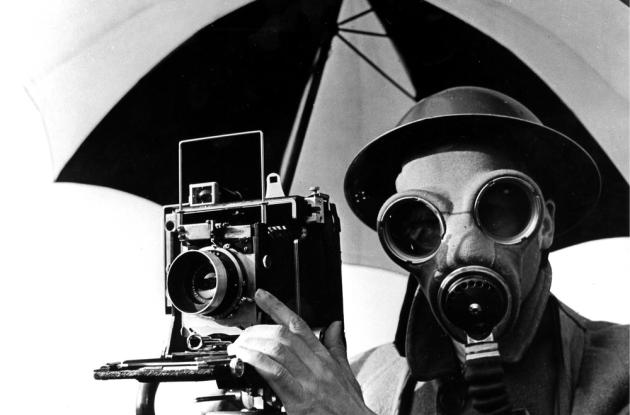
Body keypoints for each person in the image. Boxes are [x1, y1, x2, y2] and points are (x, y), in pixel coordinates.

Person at [228, 87, 629, 414]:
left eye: (498, 209)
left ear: (543, 225)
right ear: (400, 243)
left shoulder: (618, 372)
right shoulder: (364, 378)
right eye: (421, 223)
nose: (462, 248)